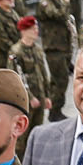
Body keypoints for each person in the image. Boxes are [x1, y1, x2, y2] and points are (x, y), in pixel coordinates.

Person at [9, 16, 51, 154]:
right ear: (24, 31)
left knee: (36, 133)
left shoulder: (37, 49)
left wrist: (47, 96)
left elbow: (43, 74)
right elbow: (16, 79)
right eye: (33, 29)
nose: (36, 31)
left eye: (36, 28)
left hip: (40, 96)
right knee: (22, 136)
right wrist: (31, 97)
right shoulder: (16, 52)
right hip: (25, 100)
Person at [39, 0, 77, 122]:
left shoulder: (58, 1)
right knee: (59, 80)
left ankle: (56, 109)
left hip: (63, 46)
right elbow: (60, 16)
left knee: (60, 80)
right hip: (53, 47)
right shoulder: (45, 3)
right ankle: (54, 111)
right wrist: (67, 1)